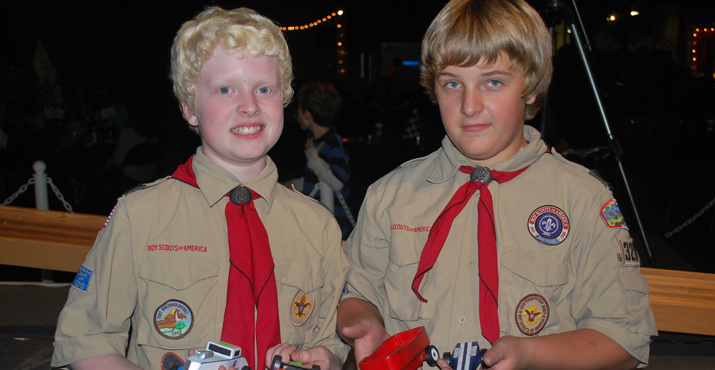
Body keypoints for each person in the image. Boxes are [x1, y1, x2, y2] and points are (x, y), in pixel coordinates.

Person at [336, 0, 656, 369]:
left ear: (531, 89)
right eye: (452, 83)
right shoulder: (390, 196)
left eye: (493, 82)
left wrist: (530, 354)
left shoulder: (582, 198)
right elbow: (358, 291)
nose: (469, 105)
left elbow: (625, 339)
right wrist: (362, 322)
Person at [51, 7, 349, 370]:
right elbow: (86, 339)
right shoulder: (141, 216)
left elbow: (331, 342)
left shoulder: (317, 227)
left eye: (264, 89)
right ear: (190, 108)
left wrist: (327, 358)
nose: (249, 106)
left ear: (283, 99)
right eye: (226, 89)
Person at [296, 81, 355, 240]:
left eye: (299, 111)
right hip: (317, 223)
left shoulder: (333, 143)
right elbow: (315, 180)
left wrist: (312, 157)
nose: (297, 116)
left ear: (308, 115)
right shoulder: (313, 141)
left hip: (335, 225)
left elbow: (337, 182)